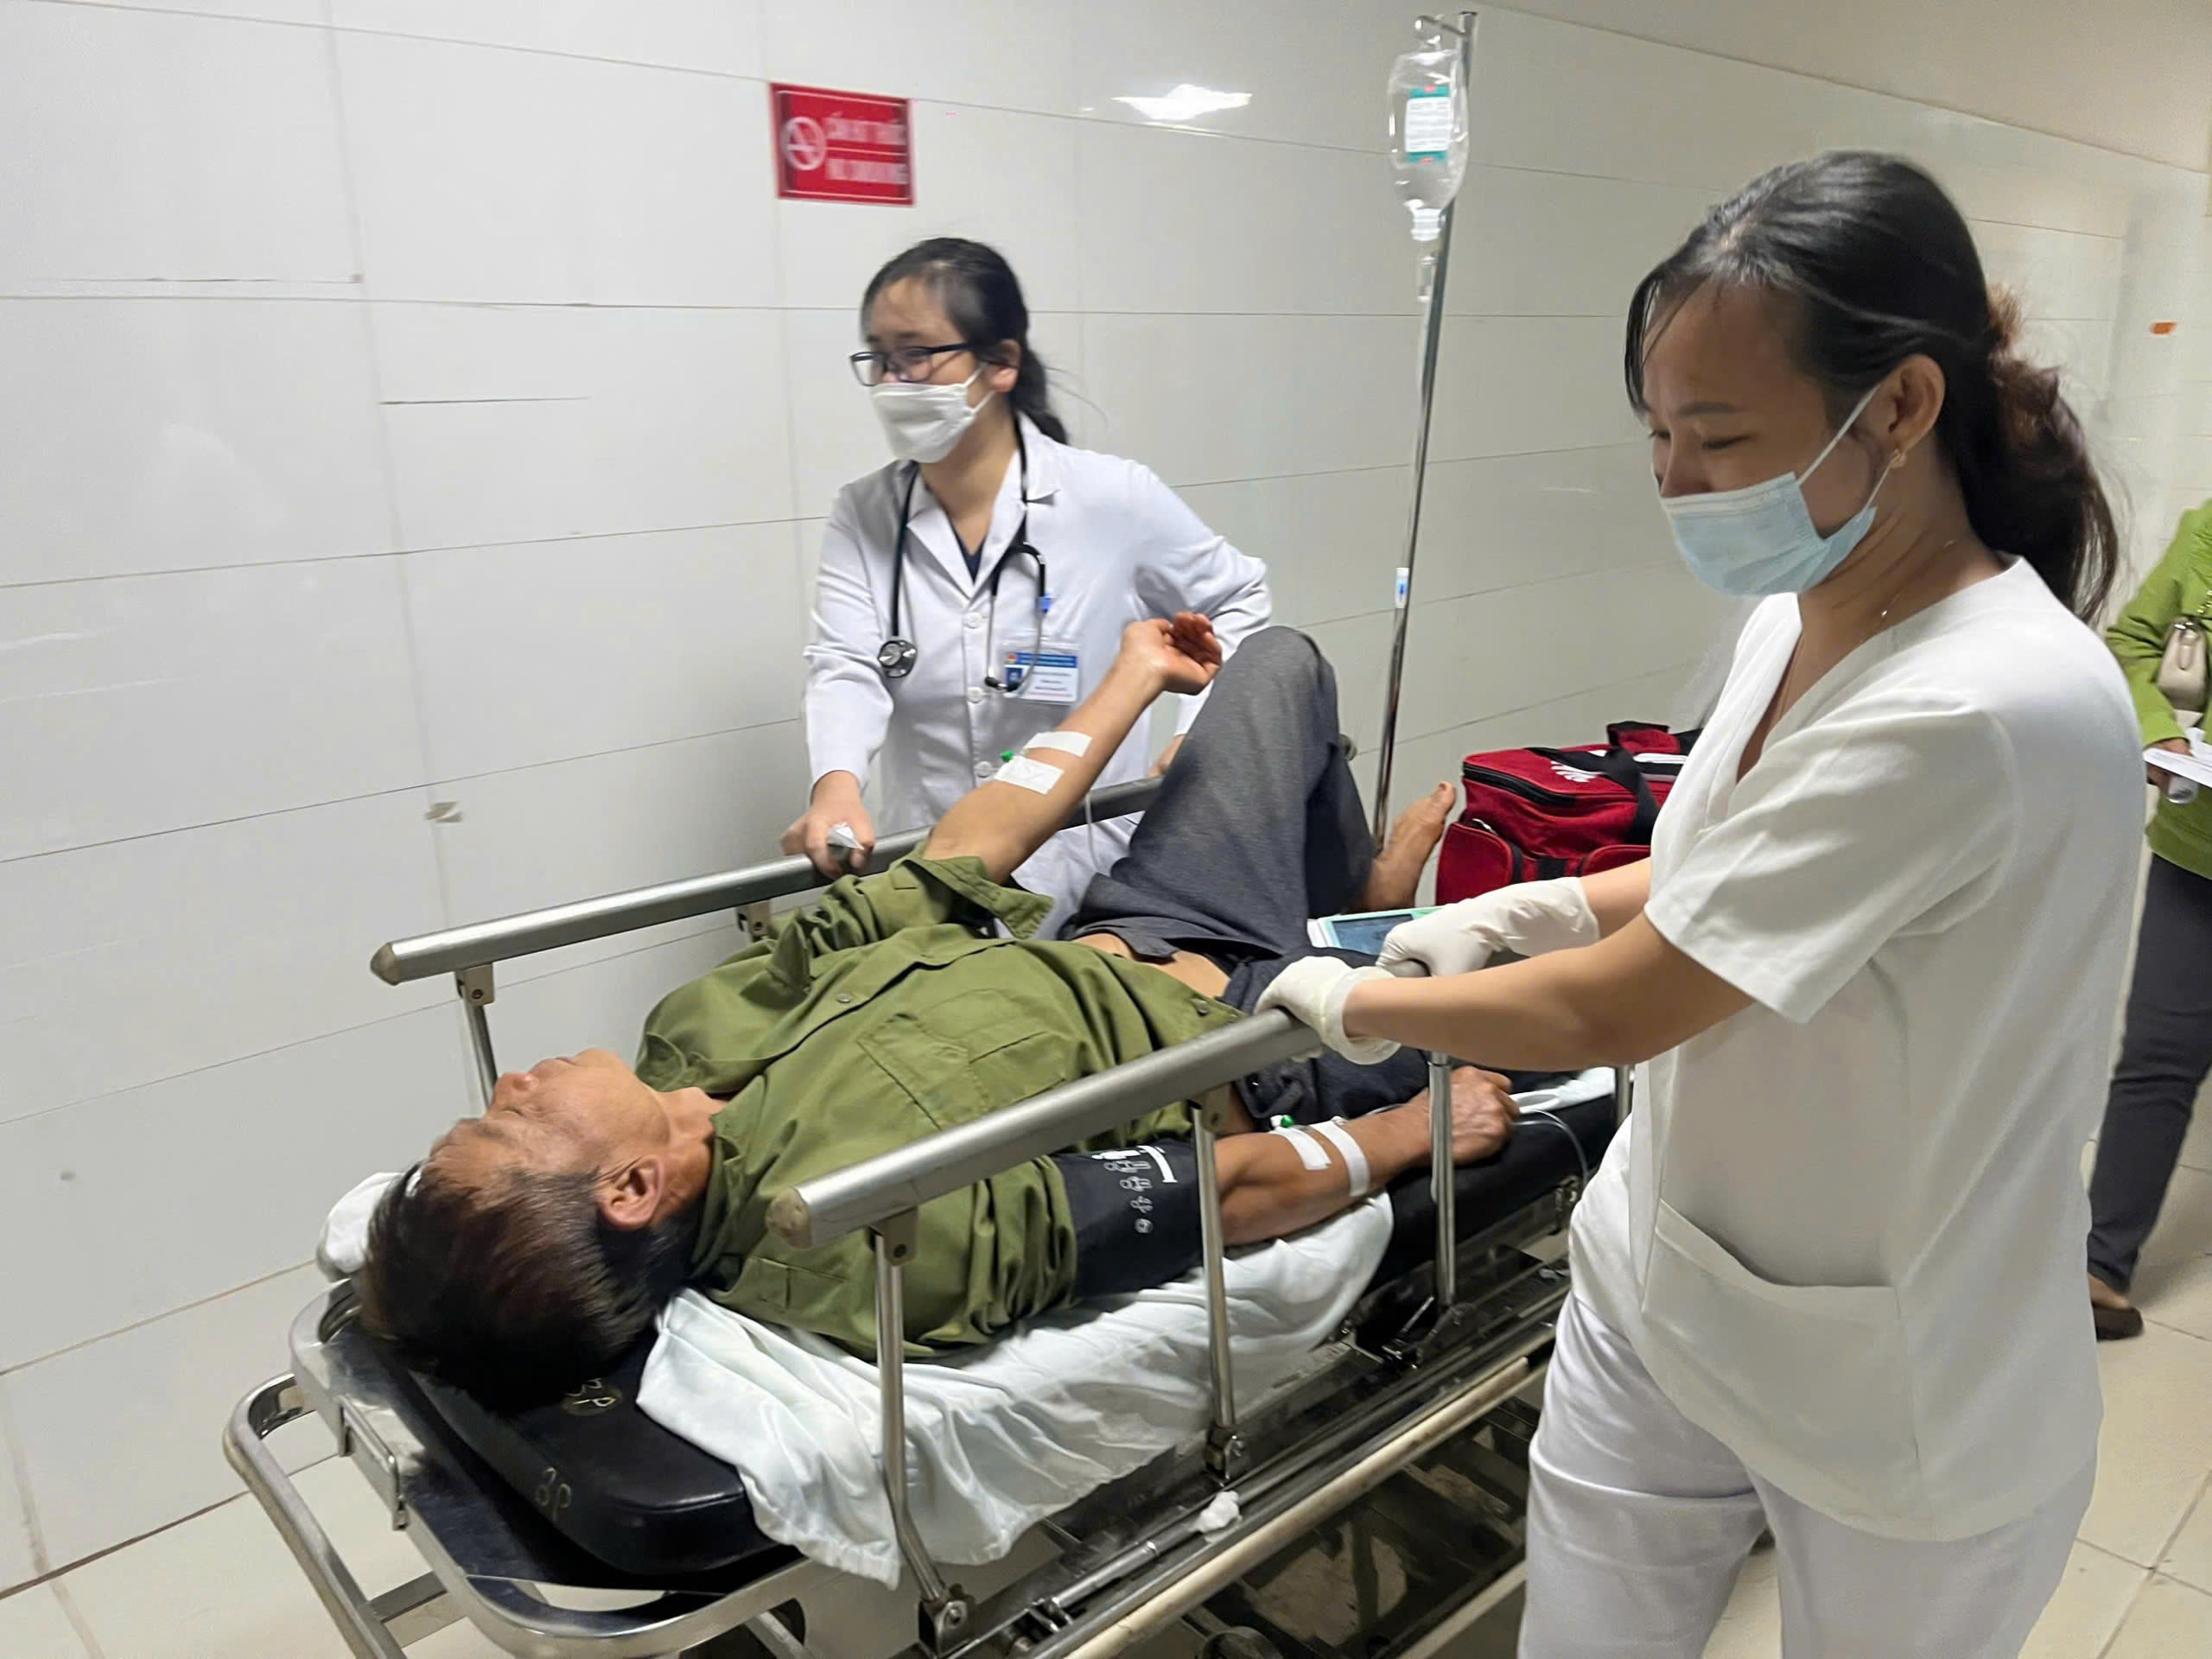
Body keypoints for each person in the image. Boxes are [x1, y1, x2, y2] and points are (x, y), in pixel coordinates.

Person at [1259, 153, 2139, 1657]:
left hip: (1899, 1383)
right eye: (1658, 432)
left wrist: (1362, 1003)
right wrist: (1538, 910)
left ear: (1903, 406)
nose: (1671, 482)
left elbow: (1629, 1006)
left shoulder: (1982, 703)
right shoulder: (1798, 616)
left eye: (1718, 437)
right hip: (1665, 1282)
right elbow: (1733, 862)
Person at [359, 616, 1486, 1413]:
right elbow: (1205, 1194)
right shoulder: (861, 1242)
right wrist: (1398, 1137)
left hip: (1144, 919)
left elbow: (953, 859)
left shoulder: (691, 1034)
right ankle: (1348, 941)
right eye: (513, 1122)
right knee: (1531, 967)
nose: (514, 1083)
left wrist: (1133, 677)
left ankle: (1349, 906)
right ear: (630, 1190)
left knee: (1281, 662)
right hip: (1272, 1043)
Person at [787, 238, 1273, 934]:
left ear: (1002, 363)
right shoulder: (865, 512)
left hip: (1087, 867)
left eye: (916, 354)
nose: (893, 381)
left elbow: (1238, 596)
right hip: (933, 863)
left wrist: (1198, 736)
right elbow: (846, 664)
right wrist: (835, 787)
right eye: (880, 358)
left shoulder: (1110, 498)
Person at [2086, 500, 2212, 1339]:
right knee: (2160, 1054)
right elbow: (2131, 643)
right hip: (2200, 852)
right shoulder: (2208, 532)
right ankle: (2099, 1266)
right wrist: (2159, 733)